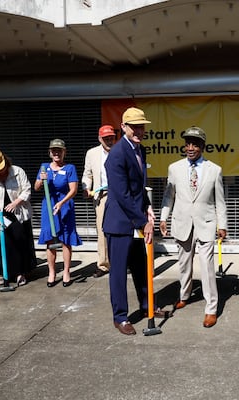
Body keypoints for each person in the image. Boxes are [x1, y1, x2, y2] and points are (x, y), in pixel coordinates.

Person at [103, 107, 169, 335]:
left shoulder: (141, 151)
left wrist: (148, 207)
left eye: (142, 126)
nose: (139, 131)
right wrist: (143, 221)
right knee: (119, 272)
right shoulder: (117, 154)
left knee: (141, 267)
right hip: (120, 223)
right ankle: (120, 316)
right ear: (123, 127)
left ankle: (146, 305)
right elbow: (122, 194)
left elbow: (138, 189)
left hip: (136, 219)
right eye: (134, 127)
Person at [160, 126, 227, 328]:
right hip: (182, 223)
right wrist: (164, 217)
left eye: (195, 144)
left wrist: (222, 224)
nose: (190, 148)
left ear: (202, 146)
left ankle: (211, 308)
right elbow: (168, 196)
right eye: (187, 143)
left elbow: (220, 200)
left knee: (207, 267)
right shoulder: (174, 168)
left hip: (206, 224)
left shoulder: (214, 170)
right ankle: (185, 294)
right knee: (184, 265)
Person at [0, 149, 37, 286]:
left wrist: (16, 202)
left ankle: (20, 273)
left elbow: (27, 190)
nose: (0, 172)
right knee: (1, 246)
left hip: (17, 213)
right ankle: (6, 274)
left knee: (18, 243)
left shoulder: (18, 172)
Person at [34, 138, 82, 288]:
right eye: (54, 150)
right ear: (50, 153)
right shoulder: (44, 167)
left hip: (65, 205)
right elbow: (36, 188)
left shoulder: (70, 168)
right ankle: (52, 272)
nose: (56, 153)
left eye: (59, 150)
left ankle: (67, 272)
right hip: (48, 206)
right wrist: (41, 181)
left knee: (66, 240)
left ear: (64, 152)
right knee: (49, 239)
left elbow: (73, 190)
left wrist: (61, 203)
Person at [82, 124, 117, 278]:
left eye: (111, 138)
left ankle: (123, 262)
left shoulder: (120, 151)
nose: (109, 141)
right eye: (105, 138)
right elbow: (87, 174)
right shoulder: (92, 153)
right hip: (101, 196)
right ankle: (103, 264)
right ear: (99, 139)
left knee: (122, 230)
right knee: (102, 231)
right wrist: (86, 187)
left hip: (119, 195)